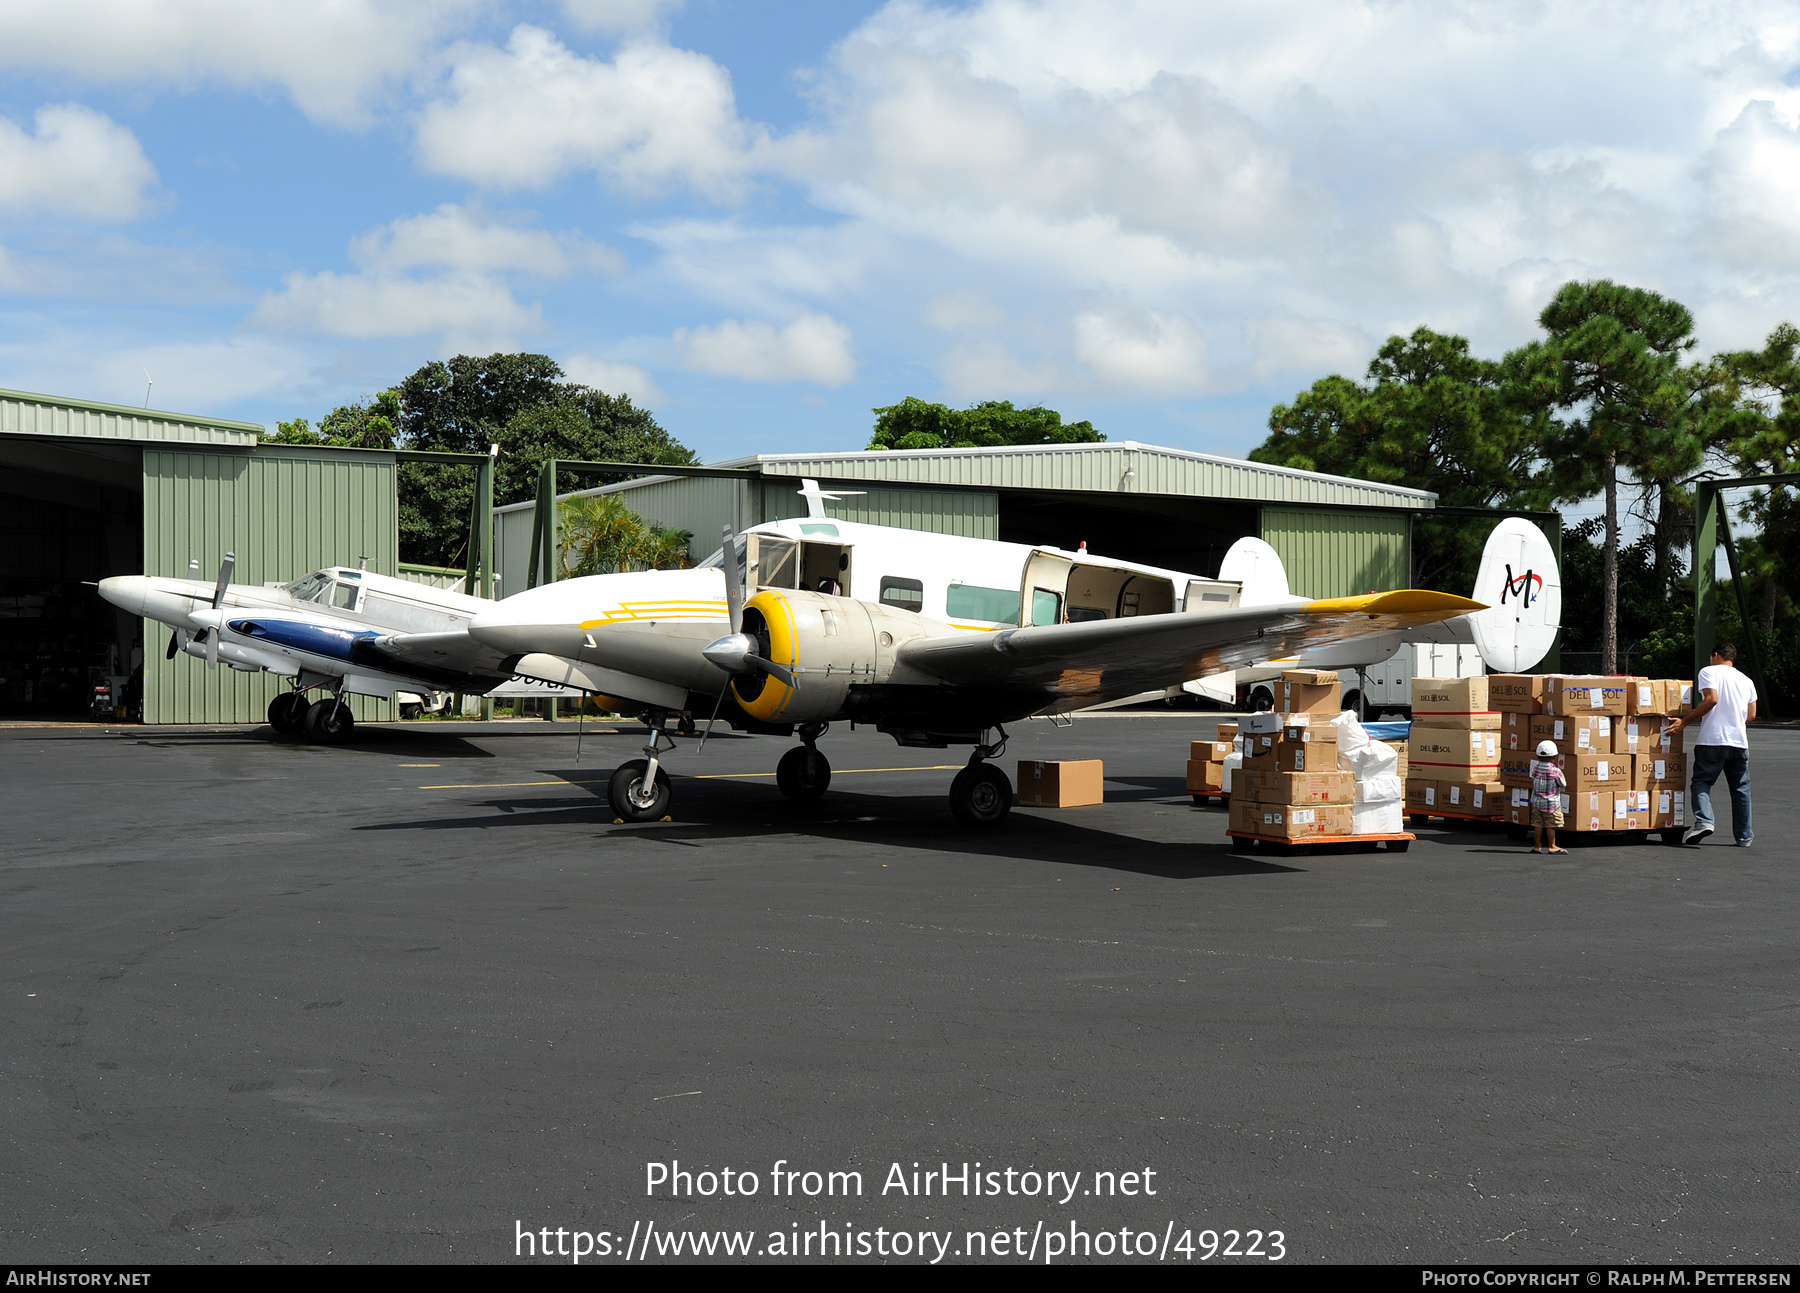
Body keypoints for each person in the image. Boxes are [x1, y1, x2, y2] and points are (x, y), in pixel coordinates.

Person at [1670, 641, 1757, 846]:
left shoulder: (1708, 672)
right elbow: (1751, 715)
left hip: (1712, 740)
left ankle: (1704, 821)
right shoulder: (1747, 680)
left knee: (1702, 782)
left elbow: (1711, 699)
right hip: (1738, 742)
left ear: (1716, 655)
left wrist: (1685, 721)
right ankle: (1744, 836)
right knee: (1740, 789)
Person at [1529, 739, 1567, 854]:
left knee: (1537, 825)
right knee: (1551, 826)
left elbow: (1533, 779)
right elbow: (1563, 784)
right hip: (1551, 804)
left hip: (1537, 802)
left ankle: (1537, 846)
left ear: (1537, 756)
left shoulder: (1535, 768)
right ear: (1555, 756)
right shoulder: (1556, 771)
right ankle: (1552, 846)